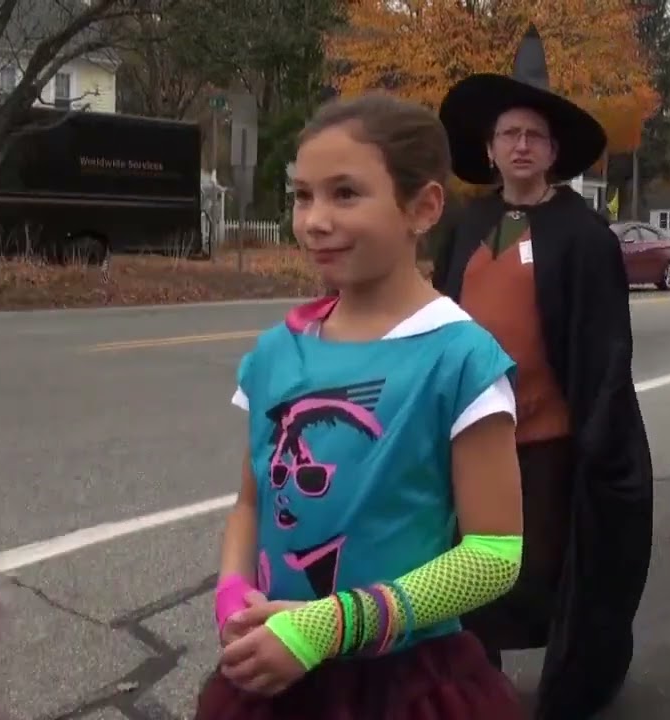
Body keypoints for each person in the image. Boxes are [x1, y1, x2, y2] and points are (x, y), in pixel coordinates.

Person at [195, 94, 524, 720]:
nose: (316, 219)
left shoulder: (460, 360)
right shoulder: (276, 353)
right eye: (302, 196)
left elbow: (494, 556)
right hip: (277, 675)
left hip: (404, 683)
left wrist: (333, 624)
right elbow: (250, 501)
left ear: (422, 208)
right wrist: (234, 593)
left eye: (346, 194)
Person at [433, 24, 654, 720]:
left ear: (554, 151)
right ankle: (478, 684)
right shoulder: (471, 224)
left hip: (549, 444)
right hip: (471, 439)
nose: (521, 145)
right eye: (508, 133)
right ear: (490, 149)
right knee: (470, 573)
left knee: (549, 571)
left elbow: (605, 353)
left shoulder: (582, 235)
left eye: (534, 134)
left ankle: (570, 687)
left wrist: (598, 440)